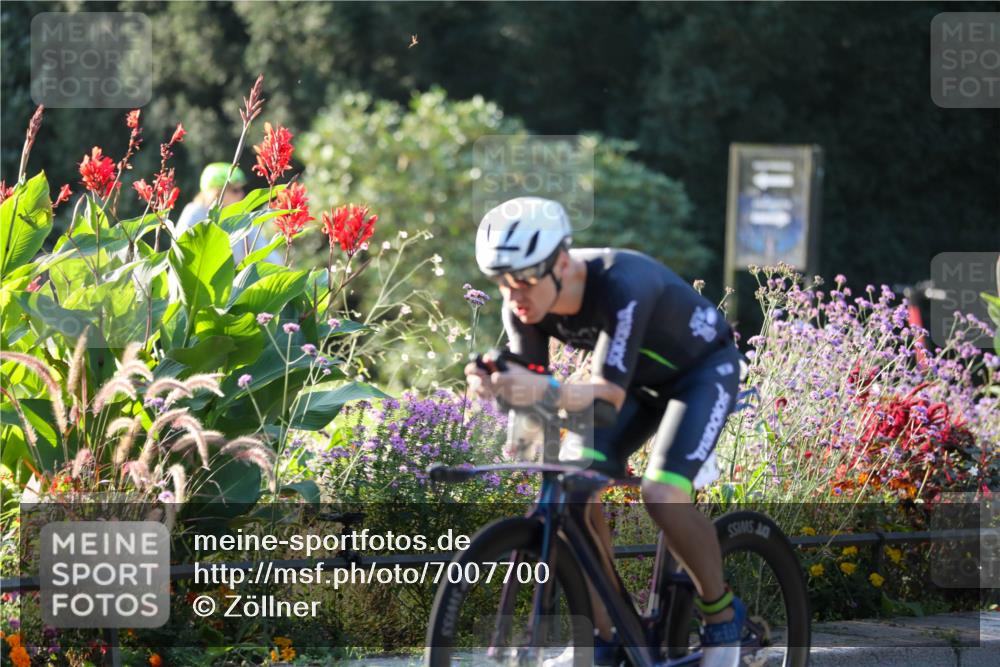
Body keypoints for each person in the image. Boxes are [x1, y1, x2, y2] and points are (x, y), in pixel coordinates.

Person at [465, 197, 745, 667]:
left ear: (562, 263)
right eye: (504, 283)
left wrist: (544, 388)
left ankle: (723, 619)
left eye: (528, 279)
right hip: (637, 383)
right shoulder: (522, 307)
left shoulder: (620, 283)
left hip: (700, 374)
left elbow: (605, 397)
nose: (516, 296)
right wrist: (497, 385)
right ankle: (608, 636)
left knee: (661, 493)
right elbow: (536, 390)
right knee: (573, 490)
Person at [175, 162, 281, 265]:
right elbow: (181, 251)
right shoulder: (194, 213)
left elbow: (268, 254)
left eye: (241, 189)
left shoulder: (242, 218)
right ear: (216, 193)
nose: (242, 194)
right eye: (235, 190)